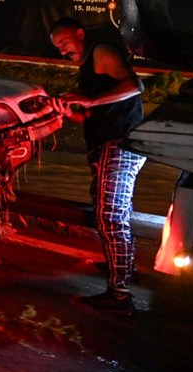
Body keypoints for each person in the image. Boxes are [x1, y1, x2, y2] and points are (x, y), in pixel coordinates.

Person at [49, 17, 146, 313]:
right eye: (58, 48)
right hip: (107, 145)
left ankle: (119, 295)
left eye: (64, 43)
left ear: (79, 34)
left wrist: (89, 101)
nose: (63, 51)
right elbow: (94, 115)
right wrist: (70, 113)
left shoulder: (101, 52)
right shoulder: (88, 69)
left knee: (110, 217)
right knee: (111, 213)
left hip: (119, 144)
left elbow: (134, 85)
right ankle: (122, 271)